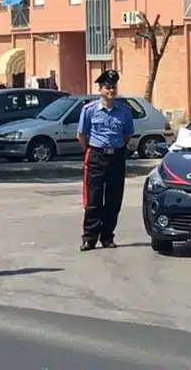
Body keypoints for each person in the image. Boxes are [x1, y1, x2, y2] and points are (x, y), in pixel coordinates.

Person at [76, 69, 133, 251]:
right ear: (100, 89)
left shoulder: (124, 111)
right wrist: (93, 151)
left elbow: (127, 134)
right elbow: (81, 135)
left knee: (113, 200)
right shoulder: (89, 110)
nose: (111, 91)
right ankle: (89, 238)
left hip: (116, 156)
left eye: (114, 87)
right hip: (96, 156)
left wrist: (115, 148)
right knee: (93, 200)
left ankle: (107, 236)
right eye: (108, 87)